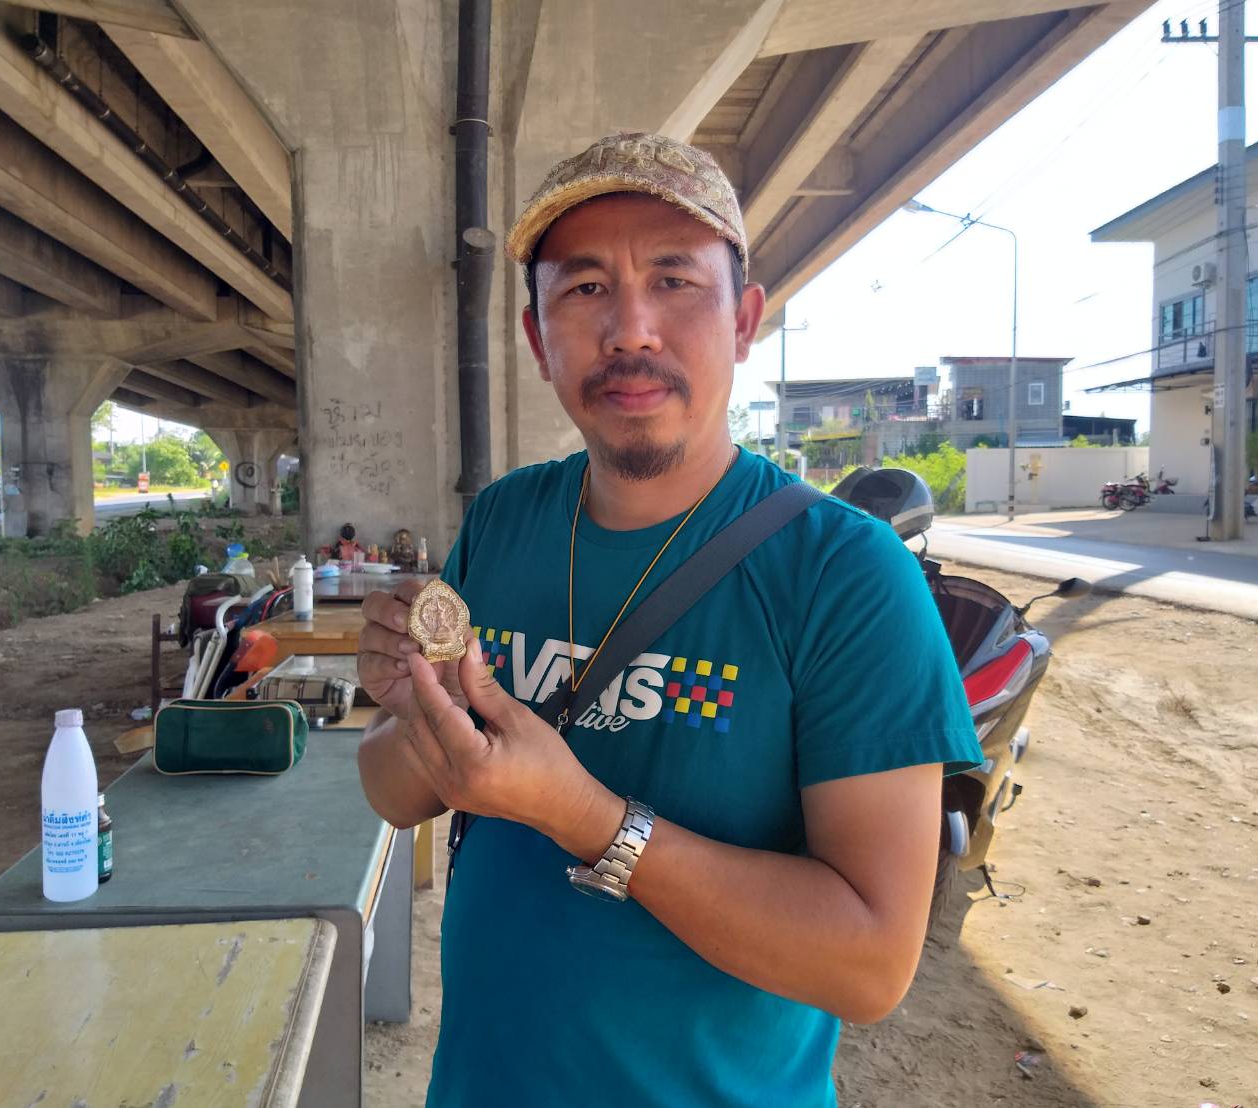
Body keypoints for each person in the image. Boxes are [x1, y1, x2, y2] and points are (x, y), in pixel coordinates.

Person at [357, 132, 982, 1107]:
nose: (631, 330)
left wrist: (582, 815)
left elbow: (869, 965)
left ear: (743, 321)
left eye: (674, 281)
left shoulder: (846, 575)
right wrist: (414, 709)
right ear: (537, 339)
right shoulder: (507, 520)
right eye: (585, 288)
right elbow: (394, 792)